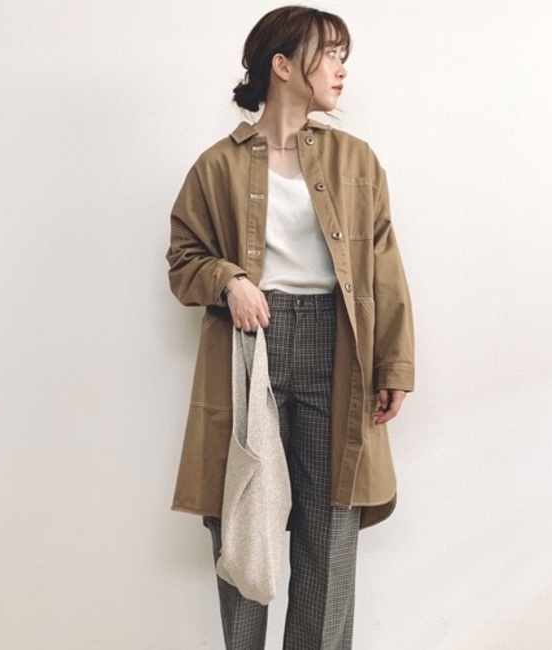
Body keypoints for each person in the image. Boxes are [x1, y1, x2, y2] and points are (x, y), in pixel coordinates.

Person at [166, 6, 414, 649]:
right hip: (250, 350)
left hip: (339, 349)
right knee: (245, 521)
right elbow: (183, 260)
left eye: (342, 56)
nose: (340, 68)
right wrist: (229, 280)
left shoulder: (356, 161)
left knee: (329, 532)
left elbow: (385, 268)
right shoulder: (217, 166)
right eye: (328, 53)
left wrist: (394, 365)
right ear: (281, 65)